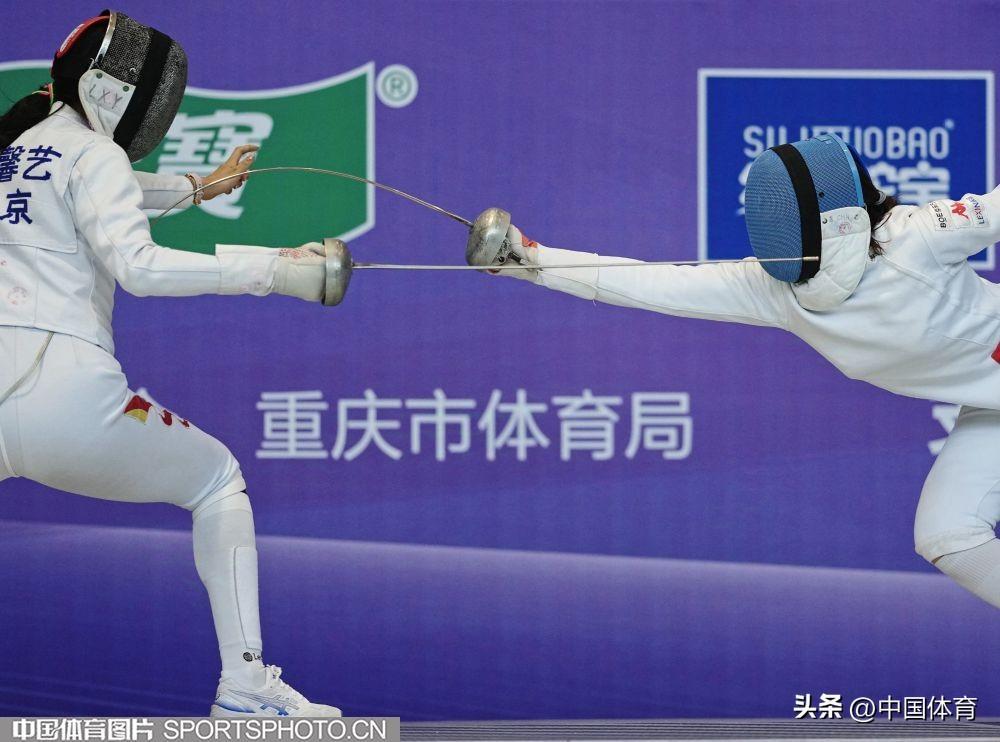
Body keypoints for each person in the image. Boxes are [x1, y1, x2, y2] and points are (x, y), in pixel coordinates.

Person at [470, 133, 1000, 610]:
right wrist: (532, 259)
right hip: (989, 402)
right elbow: (651, 283)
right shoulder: (780, 292)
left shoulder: (921, 234)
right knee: (948, 534)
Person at [0, 12, 340, 716]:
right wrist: (275, 270)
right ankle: (246, 689)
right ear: (113, 91)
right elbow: (140, 266)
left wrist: (197, 186)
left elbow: (105, 189)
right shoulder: (95, 155)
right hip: (65, 393)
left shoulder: (17, 151)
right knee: (216, 480)